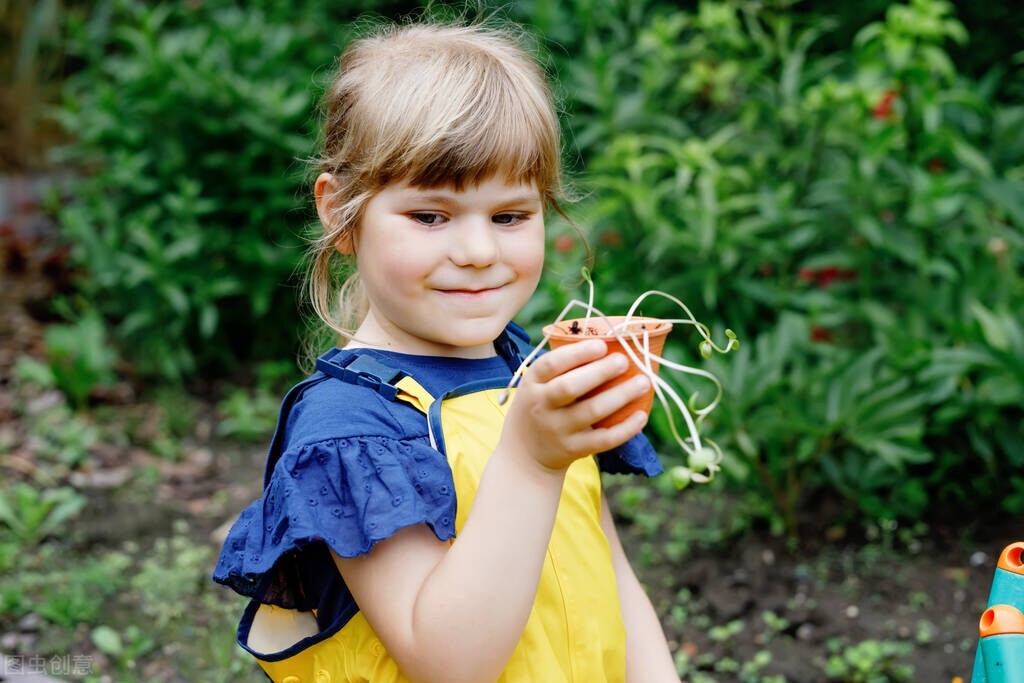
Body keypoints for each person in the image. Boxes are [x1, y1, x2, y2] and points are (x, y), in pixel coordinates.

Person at [213, 19, 680, 683]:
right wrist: (530, 458)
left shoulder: (529, 367)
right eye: (430, 216)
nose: (479, 252)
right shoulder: (350, 430)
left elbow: (609, 570)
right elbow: (449, 662)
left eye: (510, 216)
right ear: (340, 213)